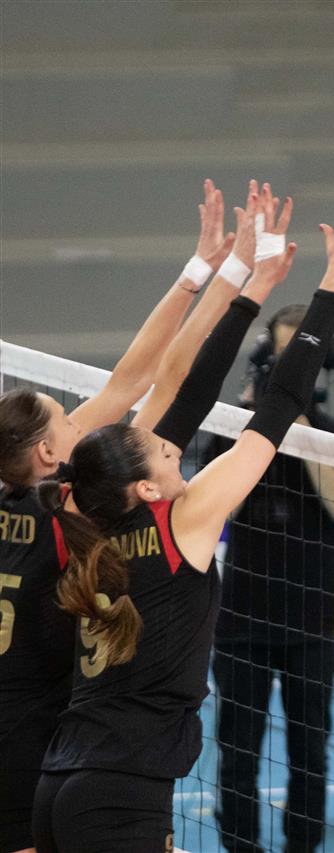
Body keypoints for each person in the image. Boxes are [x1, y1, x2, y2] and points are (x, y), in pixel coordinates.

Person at [29, 185, 334, 853]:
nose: (176, 445)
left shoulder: (89, 526)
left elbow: (186, 389)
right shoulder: (182, 524)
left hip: (60, 780)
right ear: (145, 485)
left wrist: (251, 289)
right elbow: (280, 403)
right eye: (164, 449)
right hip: (119, 796)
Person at [0, 178, 257, 853]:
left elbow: (144, 383)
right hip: (46, 746)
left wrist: (212, 272)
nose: (81, 420)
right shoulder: (77, 505)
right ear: (50, 453)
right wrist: (221, 275)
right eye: (68, 419)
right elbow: (151, 381)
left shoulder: (25, 491)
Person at [210, 302, 334, 853]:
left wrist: (298, 425)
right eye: (281, 359)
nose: (289, 370)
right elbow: (222, 507)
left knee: (311, 753)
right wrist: (257, 425)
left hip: (311, 622)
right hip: (241, 621)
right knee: (237, 753)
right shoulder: (235, 432)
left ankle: (302, 846)